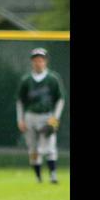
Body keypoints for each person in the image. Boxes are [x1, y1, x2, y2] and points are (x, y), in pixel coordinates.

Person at [16, 48, 65, 184]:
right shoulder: (26, 80)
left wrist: (55, 117)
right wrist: (20, 119)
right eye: (36, 60)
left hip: (47, 116)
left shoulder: (53, 79)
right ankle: (38, 178)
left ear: (46, 62)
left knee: (50, 147)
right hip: (30, 116)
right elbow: (20, 101)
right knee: (33, 148)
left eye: (41, 60)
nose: (39, 62)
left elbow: (60, 99)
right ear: (32, 62)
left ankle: (53, 176)